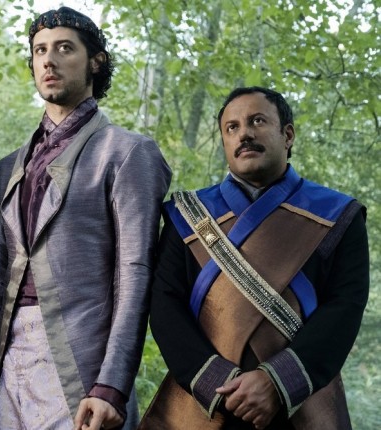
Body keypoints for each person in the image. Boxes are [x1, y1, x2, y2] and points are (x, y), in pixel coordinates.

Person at [0, 7, 171, 430]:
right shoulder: (6, 169)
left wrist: (111, 386)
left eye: (64, 48)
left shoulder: (127, 153)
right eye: (39, 51)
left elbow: (135, 275)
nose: (48, 60)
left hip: (83, 368)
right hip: (7, 369)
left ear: (96, 62)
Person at [140, 87, 369, 430]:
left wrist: (277, 381)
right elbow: (165, 304)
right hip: (206, 403)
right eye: (231, 127)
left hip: (299, 406)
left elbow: (345, 307)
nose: (243, 133)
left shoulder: (339, 215)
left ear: (288, 135)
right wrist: (217, 382)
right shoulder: (186, 215)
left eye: (257, 121)